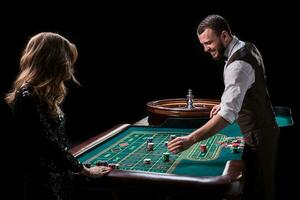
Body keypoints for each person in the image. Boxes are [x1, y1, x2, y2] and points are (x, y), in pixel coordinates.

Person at [168, 15, 279, 200]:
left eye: (209, 42)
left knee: (260, 192)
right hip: (263, 130)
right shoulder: (246, 47)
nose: (206, 49)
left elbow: (228, 115)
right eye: (203, 44)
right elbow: (248, 84)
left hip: (259, 134)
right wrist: (224, 102)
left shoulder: (238, 64)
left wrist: (191, 139)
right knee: (261, 187)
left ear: (225, 36)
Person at [5, 32, 111, 200]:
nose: (70, 67)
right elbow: (50, 144)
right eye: (67, 61)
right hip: (44, 184)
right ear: (53, 61)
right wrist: (84, 170)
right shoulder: (27, 96)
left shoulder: (41, 93)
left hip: (58, 177)